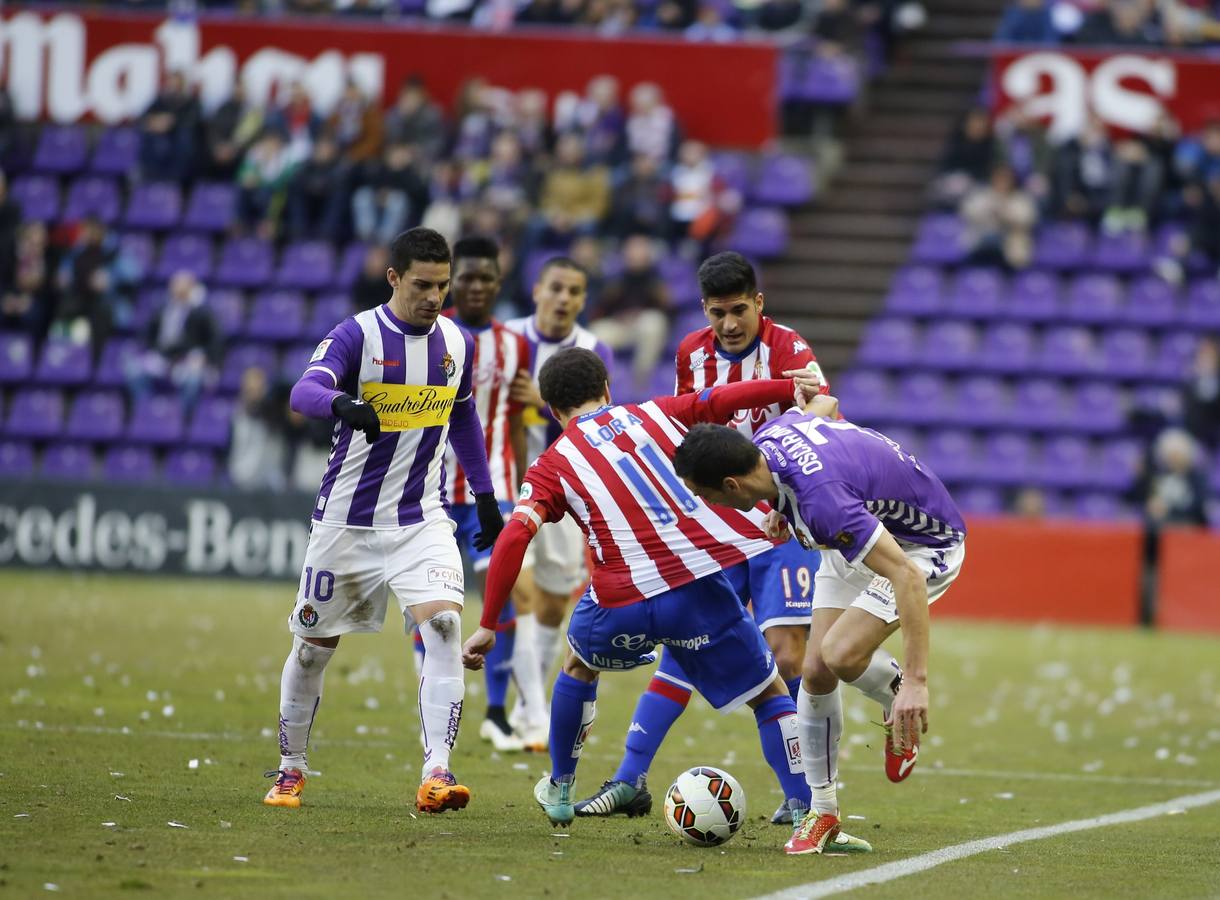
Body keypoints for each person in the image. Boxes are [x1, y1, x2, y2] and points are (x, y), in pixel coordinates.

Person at [461, 348, 853, 854]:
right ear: (607, 386)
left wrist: (490, 622)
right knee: (769, 694)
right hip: (695, 588)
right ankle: (805, 810)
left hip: (620, 602)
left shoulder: (551, 465)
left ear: (551, 410)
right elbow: (719, 400)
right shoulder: (652, 412)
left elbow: (514, 536)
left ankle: (560, 788)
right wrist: (787, 389)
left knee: (579, 664)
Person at [575, 251, 827, 824]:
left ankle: (810, 795)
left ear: (758, 303)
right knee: (683, 649)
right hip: (716, 520)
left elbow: (823, 416)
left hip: (777, 517)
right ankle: (628, 780)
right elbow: (690, 430)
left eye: (739, 310)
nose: (729, 324)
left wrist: (788, 495)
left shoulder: (789, 350)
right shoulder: (691, 352)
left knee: (788, 653)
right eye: (718, 313)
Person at [262, 227, 504, 814]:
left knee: (444, 626)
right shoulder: (357, 334)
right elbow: (304, 391)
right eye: (422, 284)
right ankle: (291, 769)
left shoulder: (455, 341)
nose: (434, 297)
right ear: (393, 277)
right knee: (314, 648)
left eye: (442, 286)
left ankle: (437, 773)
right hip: (346, 525)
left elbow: (464, 416)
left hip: (421, 518)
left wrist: (487, 493)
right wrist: (342, 403)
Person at [672, 398, 967, 855]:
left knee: (842, 655)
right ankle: (823, 812)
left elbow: (906, 576)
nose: (705, 502)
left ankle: (894, 690)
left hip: (921, 549)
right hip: (859, 536)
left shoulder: (823, 503)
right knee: (816, 671)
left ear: (731, 485)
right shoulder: (771, 438)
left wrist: (917, 683)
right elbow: (822, 405)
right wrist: (780, 508)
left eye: (704, 493)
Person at [431, 235, 550, 752]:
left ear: (498, 284)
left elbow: (521, 420)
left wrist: (525, 484)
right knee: (434, 603)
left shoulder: (516, 344)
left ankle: (499, 712)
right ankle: (434, 703)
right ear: (454, 280)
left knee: (507, 597)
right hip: (432, 488)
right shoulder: (434, 333)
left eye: (486, 278)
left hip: (496, 488)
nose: (476, 286)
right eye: (468, 277)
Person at [504, 260, 614, 693]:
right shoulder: (507, 338)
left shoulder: (593, 350)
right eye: (556, 288)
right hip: (504, 481)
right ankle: (527, 708)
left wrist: (544, 399)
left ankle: (530, 694)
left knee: (552, 605)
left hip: (565, 486)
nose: (563, 298)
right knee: (523, 594)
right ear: (537, 291)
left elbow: (600, 424)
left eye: (574, 291)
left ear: (584, 300)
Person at [125, 270, 220, 412]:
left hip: (187, 360)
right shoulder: (163, 308)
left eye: (181, 284)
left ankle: (182, 418)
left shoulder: (202, 311)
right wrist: (151, 351)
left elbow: (215, 338)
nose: (177, 288)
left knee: (192, 380)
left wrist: (205, 357)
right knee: (133, 370)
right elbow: (149, 334)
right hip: (162, 358)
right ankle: (146, 411)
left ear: (191, 286)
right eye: (175, 284)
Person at [588, 234, 671, 390]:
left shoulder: (657, 277)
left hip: (642, 325)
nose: (636, 253)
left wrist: (643, 311)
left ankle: (642, 376)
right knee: (595, 332)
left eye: (641, 249)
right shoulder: (616, 277)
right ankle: (597, 383)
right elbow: (600, 309)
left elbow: (668, 311)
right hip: (620, 326)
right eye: (632, 249)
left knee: (653, 322)